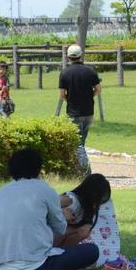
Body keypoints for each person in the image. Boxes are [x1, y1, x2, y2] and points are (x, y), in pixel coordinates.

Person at [0, 148, 99, 270]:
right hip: (36, 265)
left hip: (2, 267)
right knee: (92, 250)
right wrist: (65, 216)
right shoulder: (45, 190)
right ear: (38, 168)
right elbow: (60, 228)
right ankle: (61, 269)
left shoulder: (3, 191)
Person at [58, 44, 101, 174]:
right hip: (89, 112)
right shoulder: (90, 71)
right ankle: (79, 168)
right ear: (81, 55)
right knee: (81, 141)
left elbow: (61, 95)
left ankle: (85, 170)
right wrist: (89, 96)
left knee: (78, 143)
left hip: (73, 112)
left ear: (68, 57)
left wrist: (69, 100)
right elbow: (98, 90)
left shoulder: (65, 72)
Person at [56, 173, 111, 247]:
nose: (97, 206)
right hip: (43, 239)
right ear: (90, 194)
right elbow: (41, 208)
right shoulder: (70, 200)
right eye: (97, 201)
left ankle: (61, 253)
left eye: (102, 203)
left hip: (58, 246)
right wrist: (61, 211)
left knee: (86, 234)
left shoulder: (86, 212)